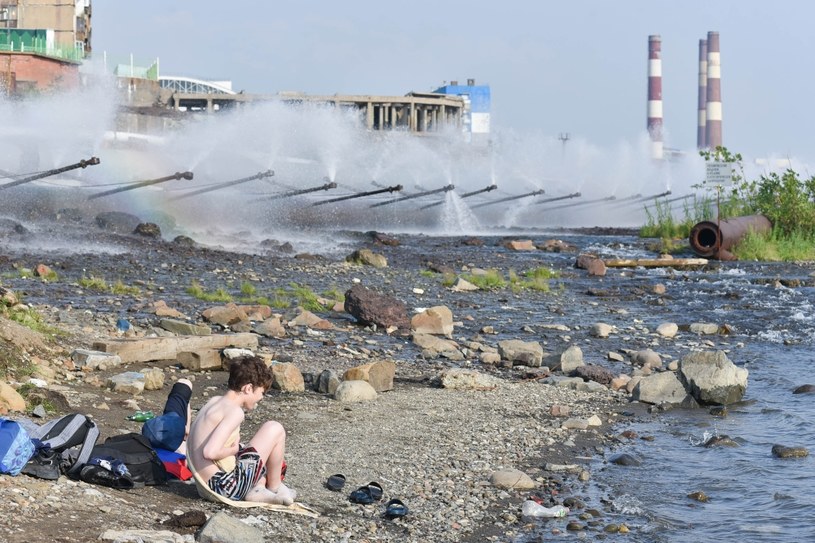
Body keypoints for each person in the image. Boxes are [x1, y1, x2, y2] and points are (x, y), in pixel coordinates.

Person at [187, 355, 296, 505]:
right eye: (261, 393)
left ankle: (258, 490)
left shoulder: (214, 402)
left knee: (252, 453)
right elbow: (210, 452)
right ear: (248, 388)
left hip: (204, 486)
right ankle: (275, 488)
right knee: (274, 428)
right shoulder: (234, 411)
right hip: (225, 488)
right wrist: (236, 449)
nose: (261, 398)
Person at [142, 378, 193, 455]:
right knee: (184, 383)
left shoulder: (151, 437)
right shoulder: (183, 453)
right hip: (179, 440)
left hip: (171, 436)